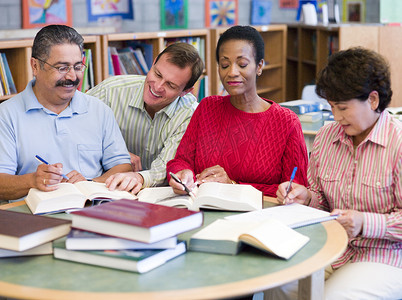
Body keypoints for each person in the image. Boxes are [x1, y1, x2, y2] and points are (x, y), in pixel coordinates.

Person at [274, 47, 402, 299]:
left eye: (343, 108)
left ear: (373, 100)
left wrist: (365, 222)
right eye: (332, 107)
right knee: (276, 279)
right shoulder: (326, 137)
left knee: (333, 297)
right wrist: (306, 197)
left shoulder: (398, 144)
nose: (336, 117)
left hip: (385, 257)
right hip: (333, 248)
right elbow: (321, 200)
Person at [167, 25, 308, 197]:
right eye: (225, 65)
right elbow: (181, 160)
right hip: (204, 209)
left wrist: (233, 185)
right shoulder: (207, 108)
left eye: (242, 64)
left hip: (262, 218)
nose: (232, 72)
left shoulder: (287, 122)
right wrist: (183, 174)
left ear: (259, 66)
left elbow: (295, 191)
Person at [0, 25, 131, 202]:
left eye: (78, 67)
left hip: (91, 210)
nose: (72, 76)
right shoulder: (6, 115)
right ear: (35, 66)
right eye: (62, 68)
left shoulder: (99, 110)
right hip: (32, 216)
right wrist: (32, 180)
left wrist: (90, 182)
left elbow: (122, 166)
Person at [87, 42, 204, 194]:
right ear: (153, 62)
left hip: (157, 197)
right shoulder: (111, 91)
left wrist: (138, 178)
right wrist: (113, 151)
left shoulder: (190, 114)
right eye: (157, 74)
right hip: (102, 188)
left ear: (186, 91)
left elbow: (166, 167)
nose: (157, 87)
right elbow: (71, 126)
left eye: (171, 85)